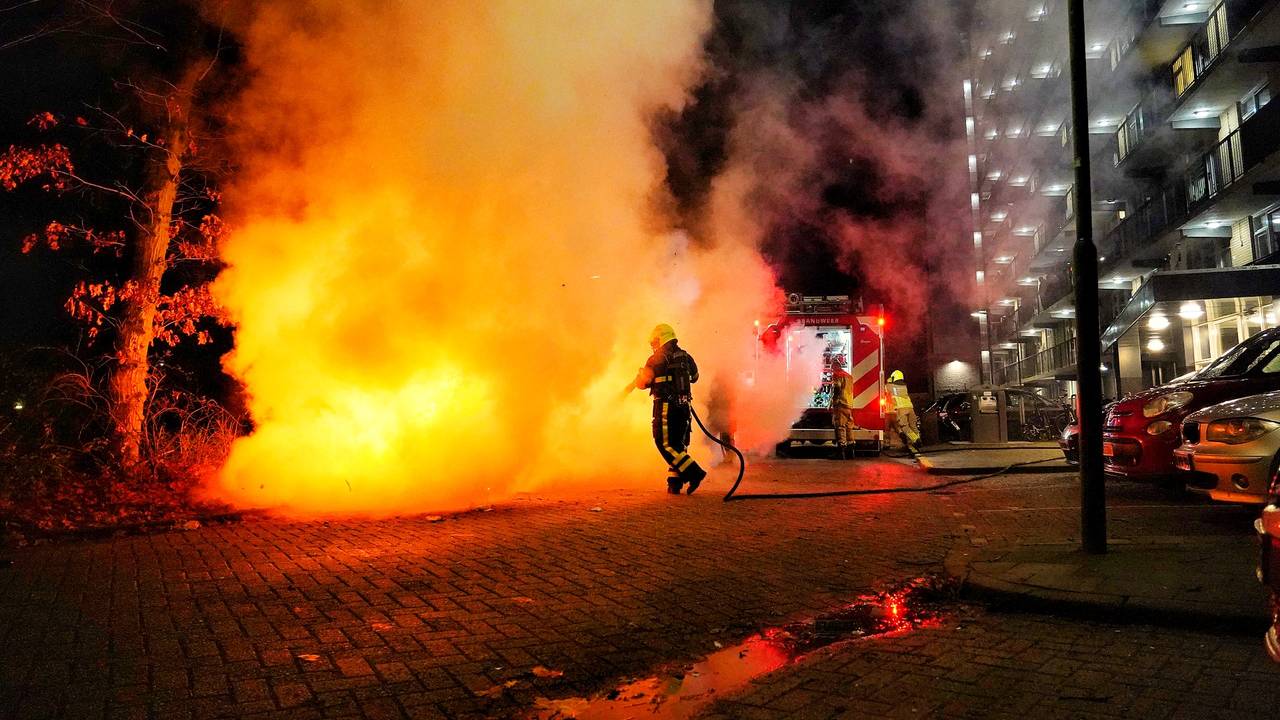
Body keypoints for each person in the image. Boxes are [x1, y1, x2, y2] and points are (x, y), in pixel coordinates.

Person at [624, 324, 708, 494]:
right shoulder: (686, 356)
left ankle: (694, 473)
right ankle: (675, 483)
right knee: (678, 445)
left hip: (665, 406)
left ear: (662, 339)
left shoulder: (656, 359)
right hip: (684, 406)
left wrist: (637, 380)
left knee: (665, 443)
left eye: (655, 341)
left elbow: (643, 383)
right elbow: (695, 377)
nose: (653, 345)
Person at [886, 369, 921, 452]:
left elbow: (886, 387)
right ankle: (915, 443)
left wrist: (889, 379)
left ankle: (916, 440)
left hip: (901, 409)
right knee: (913, 426)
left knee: (904, 426)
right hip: (910, 407)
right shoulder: (904, 386)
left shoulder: (890, 386)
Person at [829, 361, 855, 459]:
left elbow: (837, 387)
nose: (832, 371)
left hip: (840, 404)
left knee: (840, 427)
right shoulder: (849, 376)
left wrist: (833, 399)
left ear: (835, 367)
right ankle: (851, 452)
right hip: (848, 404)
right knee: (849, 427)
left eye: (832, 368)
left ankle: (841, 452)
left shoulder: (837, 374)